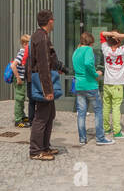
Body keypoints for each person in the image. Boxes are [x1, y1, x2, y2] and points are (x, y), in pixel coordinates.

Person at [24, 10, 62, 159]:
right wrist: (47, 89)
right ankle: (35, 150)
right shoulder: (41, 38)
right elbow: (43, 65)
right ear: (50, 21)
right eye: (53, 19)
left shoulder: (40, 36)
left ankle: (45, 147)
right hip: (42, 83)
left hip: (43, 81)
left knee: (49, 114)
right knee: (41, 116)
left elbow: (48, 61)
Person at [70, 28, 106, 146]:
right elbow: (88, 64)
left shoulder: (76, 51)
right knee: (98, 110)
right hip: (90, 84)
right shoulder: (88, 50)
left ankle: (82, 138)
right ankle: (100, 138)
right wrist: (96, 74)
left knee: (81, 112)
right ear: (90, 42)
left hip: (79, 85)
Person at [10, 32, 33, 128]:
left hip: (22, 78)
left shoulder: (25, 52)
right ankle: (18, 120)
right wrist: (18, 78)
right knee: (19, 99)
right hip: (20, 79)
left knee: (22, 98)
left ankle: (22, 116)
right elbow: (13, 65)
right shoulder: (22, 53)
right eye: (29, 43)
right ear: (24, 44)